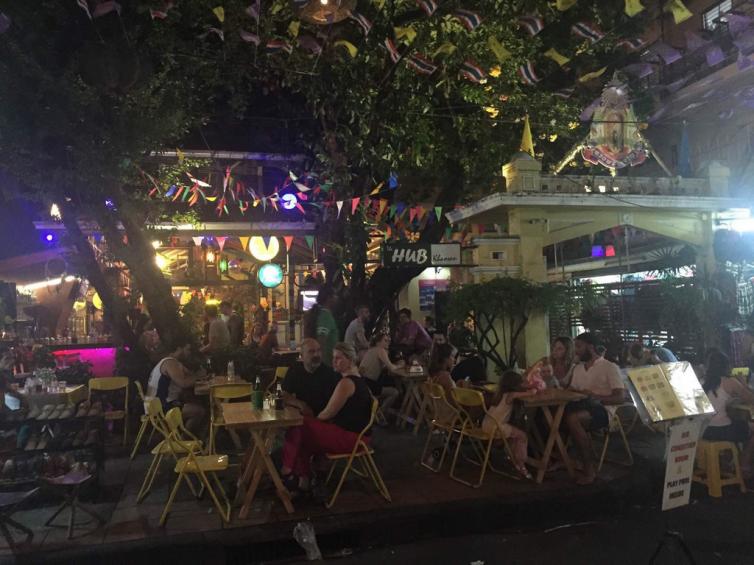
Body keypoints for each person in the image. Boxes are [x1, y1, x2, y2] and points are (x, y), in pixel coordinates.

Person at [281, 342, 373, 493]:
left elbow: (327, 414)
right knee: (301, 434)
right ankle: (304, 479)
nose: (333, 361)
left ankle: (289, 471)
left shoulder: (346, 383)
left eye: (338, 358)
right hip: (357, 436)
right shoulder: (355, 379)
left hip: (352, 439)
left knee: (299, 426)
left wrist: (312, 423)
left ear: (350, 360)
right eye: (333, 357)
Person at [565, 332, 626, 485]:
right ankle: (563, 458)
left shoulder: (609, 367)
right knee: (553, 414)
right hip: (581, 405)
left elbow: (620, 397)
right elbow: (571, 390)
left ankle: (589, 469)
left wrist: (595, 397)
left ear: (591, 347)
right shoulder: (578, 368)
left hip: (603, 409)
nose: (576, 351)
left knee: (573, 419)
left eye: (579, 346)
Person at [702, 350, 754, 478]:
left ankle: (727, 461)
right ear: (726, 366)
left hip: (704, 430)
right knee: (750, 427)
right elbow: (750, 398)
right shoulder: (729, 381)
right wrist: (742, 382)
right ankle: (744, 463)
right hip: (722, 431)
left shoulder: (702, 381)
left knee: (736, 422)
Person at [146, 340, 207, 435]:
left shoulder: (173, 362)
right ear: (179, 349)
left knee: (196, 403)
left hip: (158, 404)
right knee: (199, 411)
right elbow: (184, 383)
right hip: (160, 407)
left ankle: (185, 437)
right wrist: (199, 376)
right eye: (187, 349)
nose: (189, 353)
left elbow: (189, 376)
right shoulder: (170, 362)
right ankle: (185, 439)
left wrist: (197, 376)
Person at [483, 370, 536, 479]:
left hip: (486, 425)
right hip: (497, 427)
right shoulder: (511, 395)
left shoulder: (498, 394)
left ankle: (513, 459)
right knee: (522, 436)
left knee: (513, 435)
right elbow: (531, 393)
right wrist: (533, 389)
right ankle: (521, 465)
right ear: (515, 385)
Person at [281, 338, 340, 417]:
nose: (316, 355)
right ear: (302, 356)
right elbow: (284, 394)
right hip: (302, 416)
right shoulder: (295, 370)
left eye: (319, 350)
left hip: (323, 418)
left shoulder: (330, 374)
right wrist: (301, 404)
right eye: (311, 351)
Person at [359, 334, 402, 420]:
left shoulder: (371, 350)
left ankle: (377, 413)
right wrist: (401, 365)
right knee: (394, 392)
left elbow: (383, 367)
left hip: (361, 383)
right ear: (378, 342)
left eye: (389, 341)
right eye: (385, 340)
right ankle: (379, 414)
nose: (388, 343)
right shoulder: (380, 350)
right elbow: (392, 368)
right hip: (369, 384)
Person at [305, 287, 339, 366]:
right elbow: (321, 338)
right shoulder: (325, 316)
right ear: (329, 298)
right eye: (335, 296)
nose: (337, 298)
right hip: (326, 363)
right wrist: (320, 362)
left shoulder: (319, 313)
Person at [200, 305, 230, 374]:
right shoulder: (219, 321)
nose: (202, 314)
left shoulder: (214, 324)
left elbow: (212, 344)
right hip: (224, 353)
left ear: (207, 313)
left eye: (203, 312)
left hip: (219, 355)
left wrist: (200, 351)